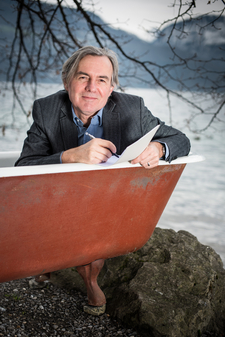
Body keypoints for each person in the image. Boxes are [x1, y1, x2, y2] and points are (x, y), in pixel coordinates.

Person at [15, 45, 190, 168]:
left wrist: (157, 149)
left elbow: (181, 140)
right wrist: (71, 156)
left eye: (101, 80)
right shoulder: (47, 110)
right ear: (67, 82)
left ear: (110, 89)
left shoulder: (132, 109)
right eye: (83, 77)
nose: (91, 87)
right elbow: (24, 165)